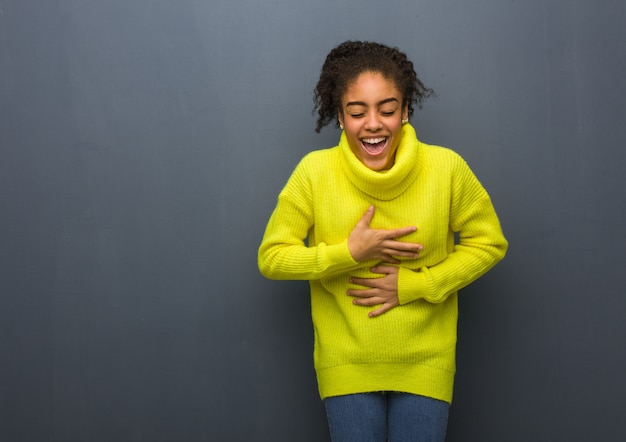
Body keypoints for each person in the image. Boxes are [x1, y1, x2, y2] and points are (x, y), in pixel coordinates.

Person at [258, 40, 508, 442]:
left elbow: (489, 243)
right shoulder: (314, 173)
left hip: (426, 358)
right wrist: (349, 253)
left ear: (405, 111)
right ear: (340, 117)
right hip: (347, 361)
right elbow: (272, 257)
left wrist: (417, 285)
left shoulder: (446, 168)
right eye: (357, 112)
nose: (373, 123)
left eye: (387, 109)